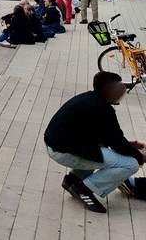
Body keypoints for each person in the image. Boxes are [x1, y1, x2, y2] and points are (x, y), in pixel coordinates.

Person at [44, 71, 145, 213]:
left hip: (57, 146)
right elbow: (117, 143)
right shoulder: (103, 109)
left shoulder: (89, 99)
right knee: (131, 164)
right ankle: (85, 188)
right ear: (106, 89)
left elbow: (109, 138)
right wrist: (139, 156)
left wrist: (130, 145)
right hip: (64, 152)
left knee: (104, 149)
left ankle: (73, 179)